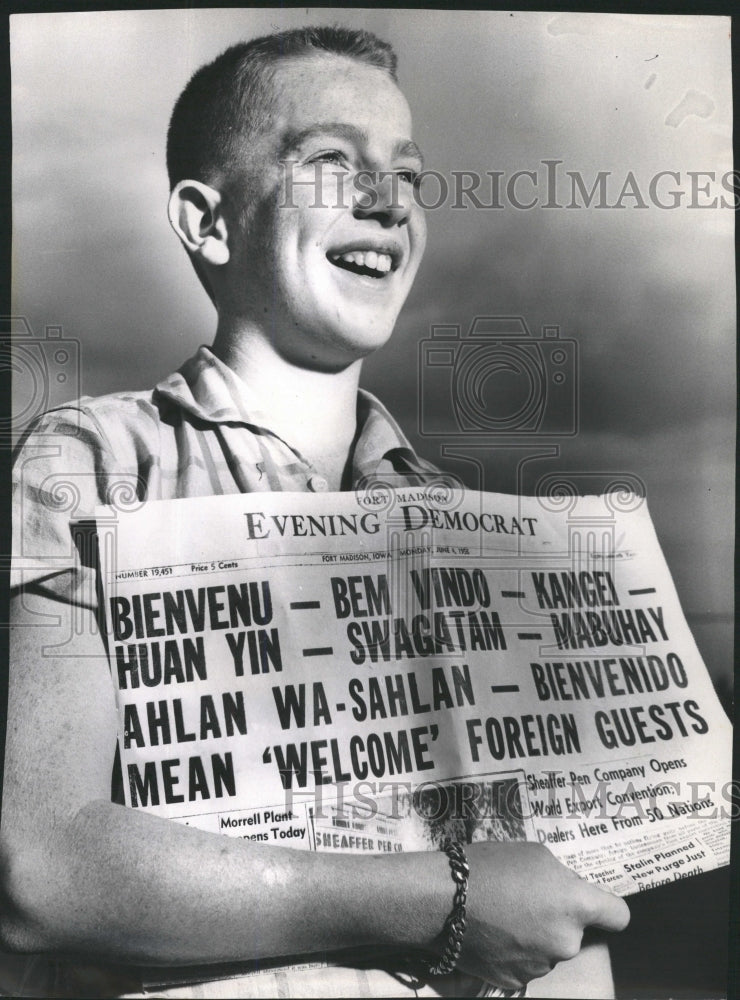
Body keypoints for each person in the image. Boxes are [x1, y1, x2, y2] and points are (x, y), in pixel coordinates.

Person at [3, 26, 630, 999]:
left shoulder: (466, 526)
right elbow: (42, 869)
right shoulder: (92, 457)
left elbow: (544, 905)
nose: (389, 201)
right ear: (208, 223)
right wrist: (438, 900)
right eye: (331, 162)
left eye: (409, 176)